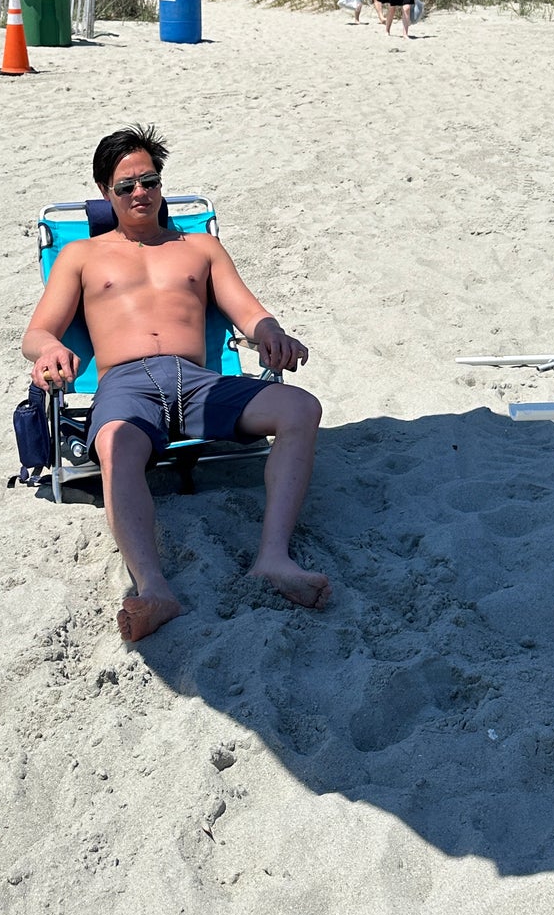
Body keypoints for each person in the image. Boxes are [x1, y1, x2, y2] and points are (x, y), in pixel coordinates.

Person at [22, 125, 330, 643]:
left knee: (301, 408)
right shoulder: (82, 256)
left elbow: (249, 312)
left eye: (149, 180)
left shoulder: (201, 247)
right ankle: (153, 588)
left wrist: (272, 332)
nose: (141, 192)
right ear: (106, 194)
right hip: (125, 382)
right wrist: (49, 349)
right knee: (118, 444)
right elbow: (38, 332)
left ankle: (274, 559)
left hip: (200, 382)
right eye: (126, 186)